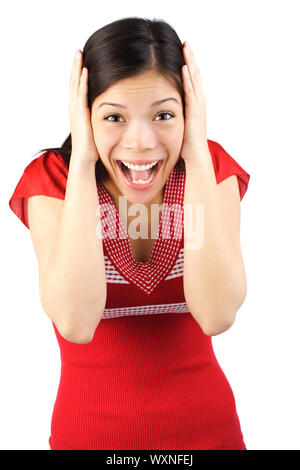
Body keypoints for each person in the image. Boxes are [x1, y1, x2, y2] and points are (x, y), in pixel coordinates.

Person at [8, 17, 250, 450]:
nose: (140, 141)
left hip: (208, 436)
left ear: (188, 113)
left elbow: (217, 315)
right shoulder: (54, 181)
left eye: (163, 115)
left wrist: (194, 151)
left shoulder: (209, 170)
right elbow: (76, 322)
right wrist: (83, 161)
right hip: (88, 439)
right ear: (85, 116)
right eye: (114, 117)